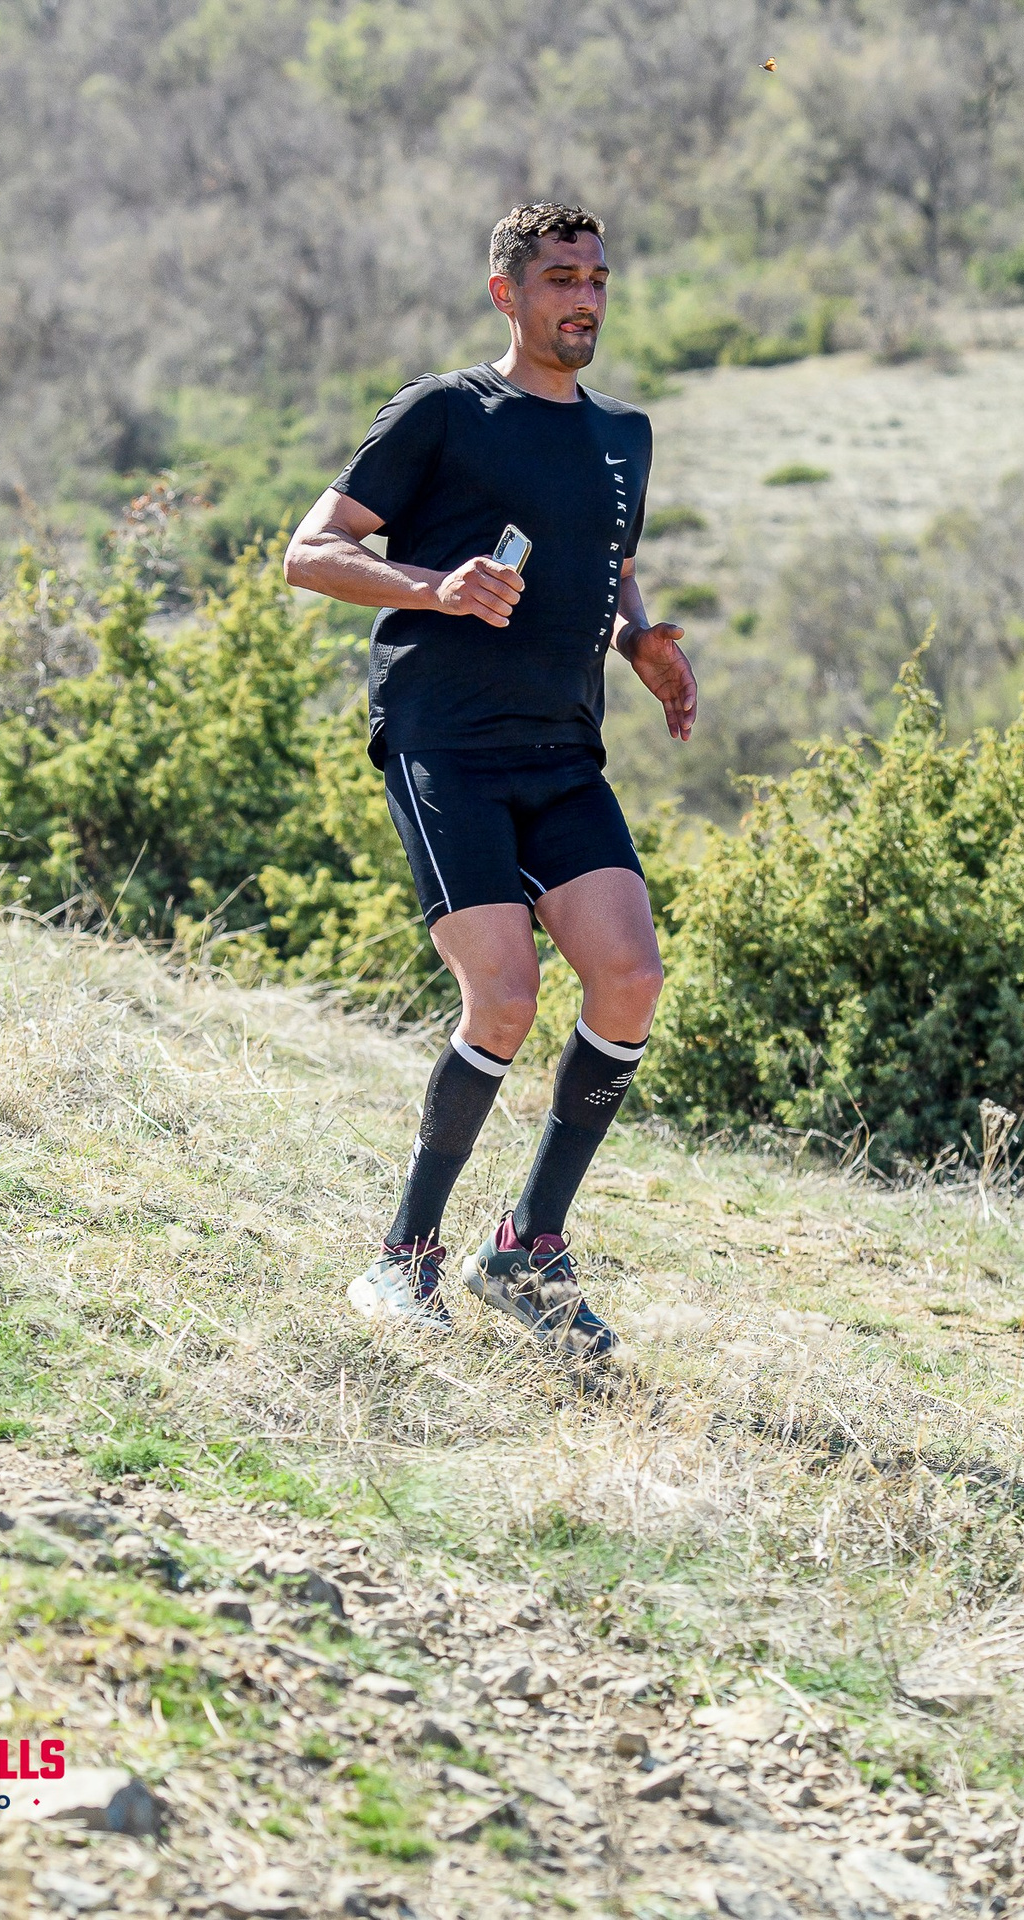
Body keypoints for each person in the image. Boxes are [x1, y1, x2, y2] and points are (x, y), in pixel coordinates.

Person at [283, 202, 696, 1351]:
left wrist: (641, 636)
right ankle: (400, 1260)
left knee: (629, 976)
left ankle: (527, 1249)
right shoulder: (443, 412)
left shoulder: (626, 433)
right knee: (504, 998)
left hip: (562, 746)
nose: (587, 298)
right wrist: (435, 587)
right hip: (446, 741)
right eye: (562, 276)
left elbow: (608, 564)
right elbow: (308, 552)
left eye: (601, 279)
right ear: (506, 292)